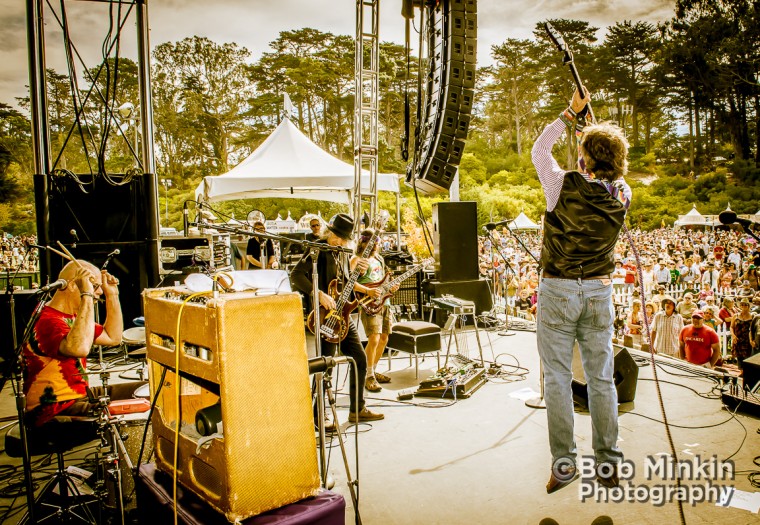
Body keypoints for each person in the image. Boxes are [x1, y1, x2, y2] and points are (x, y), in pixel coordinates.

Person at [532, 86, 629, 493]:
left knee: (556, 378)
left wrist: (570, 116)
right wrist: (590, 133)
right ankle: (608, 464)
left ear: (585, 157)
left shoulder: (561, 184)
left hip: (557, 291)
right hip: (599, 291)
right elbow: (603, 167)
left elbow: (540, 151)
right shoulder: (623, 192)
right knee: (601, 378)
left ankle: (565, 465)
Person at [290, 213, 383, 424]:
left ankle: (357, 409)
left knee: (359, 358)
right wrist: (318, 294)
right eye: (337, 237)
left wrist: (363, 286)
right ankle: (317, 415)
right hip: (325, 317)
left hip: (343, 313)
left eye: (344, 238)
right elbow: (296, 275)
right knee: (326, 366)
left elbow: (346, 282)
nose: (340, 241)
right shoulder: (317, 249)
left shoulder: (340, 252)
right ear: (329, 232)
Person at [23, 260, 135, 428]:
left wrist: (112, 295)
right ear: (74, 285)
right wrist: (87, 296)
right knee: (136, 408)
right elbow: (80, 348)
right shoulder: (47, 321)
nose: (99, 292)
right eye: (94, 286)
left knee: (147, 391)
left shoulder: (70, 317)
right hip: (53, 408)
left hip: (79, 396)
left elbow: (113, 337)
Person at [353, 228, 398, 393]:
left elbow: (382, 281)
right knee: (373, 339)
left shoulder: (379, 259)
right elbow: (350, 283)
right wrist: (368, 291)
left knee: (384, 338)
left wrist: (392, 287)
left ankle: (372, 370)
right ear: (362, 242)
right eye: (370, 242)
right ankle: (368, 375)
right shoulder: (356, 259)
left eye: (376, 243)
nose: (374, 246)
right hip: (368, 303)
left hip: (384, 303)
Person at [731, 299, 755, 369]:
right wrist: (733, 336)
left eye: (745, 304)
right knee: (739, 358)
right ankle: (741, 373)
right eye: (742, 304)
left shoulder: (752, 316)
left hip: (747, 340)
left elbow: (753, 329)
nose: (743, 306)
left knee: (747, 357)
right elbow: (731, 327)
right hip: (738, 339)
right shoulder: (735, 316)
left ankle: (746, 373)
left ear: (748, 306)